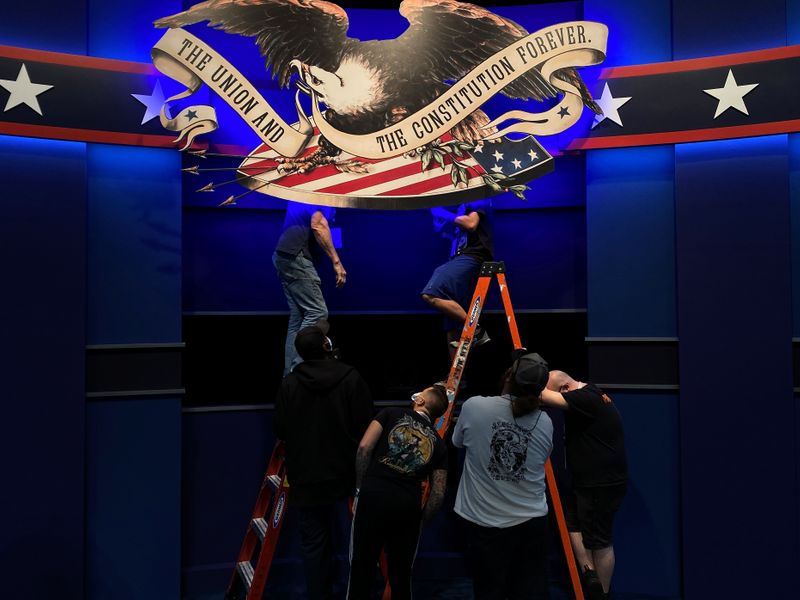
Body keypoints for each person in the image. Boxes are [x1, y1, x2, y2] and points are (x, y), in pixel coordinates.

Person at [273, 323, 374, 600]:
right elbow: (366, 422)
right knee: (360, 538)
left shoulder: (289, 383)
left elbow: (280, 428)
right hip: (346, 474)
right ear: (326, 347)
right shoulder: (351, 378)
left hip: (305, 476)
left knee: (313, 544)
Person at [452, 352, 553, 600]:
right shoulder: (546, 422)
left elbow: (457, 442)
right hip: (531, 525)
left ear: (509, 375)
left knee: (489, 592)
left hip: (486, 526)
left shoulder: (475, 406)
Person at [347, 384, 449, 600]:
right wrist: (420, 521)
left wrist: (360, 489)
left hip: (374, 496)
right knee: (401, 576)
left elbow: (364, 447)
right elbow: (438, 493)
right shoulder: (439, 445)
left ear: (420, 401)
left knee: (361, 569)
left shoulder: (390, 413)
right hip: (407, 507)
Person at [539, 370, 628, 600]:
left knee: (599, 540)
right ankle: (590, 575)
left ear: (565, 389)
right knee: (572, 525)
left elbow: (542, 397)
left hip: (601, 484)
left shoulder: (585, 397)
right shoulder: (589, 392)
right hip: (586, 481)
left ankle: (602, 595)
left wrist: (523, 373)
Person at [273, 201, 347, 376]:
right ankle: (299, 369)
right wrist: (337, 262)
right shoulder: (319, 193)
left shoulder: (305, 190)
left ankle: (290, 375)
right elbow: (318, 224)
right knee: (317, 313)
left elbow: (323, 228)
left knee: (298, 318)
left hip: (285, 255)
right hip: (295, 256)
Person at [422, 200, 494, 348]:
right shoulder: (460, 211)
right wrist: (441, 220)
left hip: (473, 256)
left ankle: (477, 330)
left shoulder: (477, 201)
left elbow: (471, 224)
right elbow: (442, 231)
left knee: (432, 293)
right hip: (460, 257)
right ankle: (455, 371)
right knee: (453, 324)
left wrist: (442, 212)